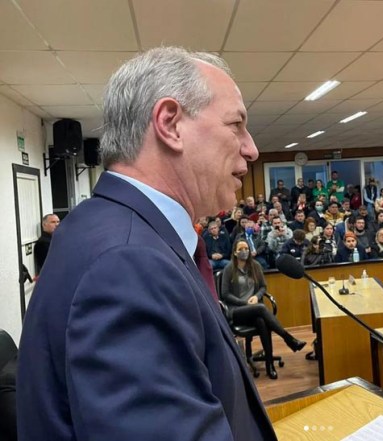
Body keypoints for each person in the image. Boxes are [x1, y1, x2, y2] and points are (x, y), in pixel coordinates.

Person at [18, 48, 278, 440]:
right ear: (170, 124)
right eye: (236, 125)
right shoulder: (127, 263)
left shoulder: (102, 225)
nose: (251, 148)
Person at [221, 240, 306, 380]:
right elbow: (225, 294)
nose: (244, 251)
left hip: (254, 308)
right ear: (235, 252)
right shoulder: (229, 269)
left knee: (262, 321)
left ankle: (269, 364)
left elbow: (263, 287)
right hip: (236, 311)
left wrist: (256, 296)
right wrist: (244, 302)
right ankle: (288, 338)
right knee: (261, 309)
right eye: (241, 249)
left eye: (247, 248)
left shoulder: (255, 266)